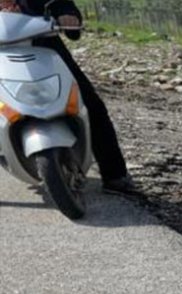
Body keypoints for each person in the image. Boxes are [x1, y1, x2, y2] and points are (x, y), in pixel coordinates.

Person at [0, 0, 136, 193]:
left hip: (43, 50)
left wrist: (69, 15)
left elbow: (59, 3)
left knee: (90, 104)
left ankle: (114, 175)